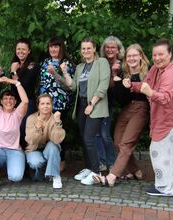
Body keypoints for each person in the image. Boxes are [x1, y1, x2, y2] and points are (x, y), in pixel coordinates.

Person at [123, 38, 173, 196]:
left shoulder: (171, 74)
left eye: (161, 54)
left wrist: (149, 92)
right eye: (154, 55)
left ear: (170, 55)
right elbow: (146, 84)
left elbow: (164, 98)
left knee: (158, 151)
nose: (157, 58)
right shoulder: (156, 69)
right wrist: (132, 86)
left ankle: (167, 187)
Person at [100, 44, 150, 187]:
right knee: (117, 142)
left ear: (141, 56)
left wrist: (134, 86)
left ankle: (112, 176)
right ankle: (136, 170)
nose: (132, 58)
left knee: (126, 144)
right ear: (125, 58)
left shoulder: (148, 73)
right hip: (127, 109)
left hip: (141, 109)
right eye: (129, 56)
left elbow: (151, 95)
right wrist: (120, 84)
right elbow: (120, 100)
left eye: (135, 55)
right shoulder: (123, 73)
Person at [63, 37, 110, 185]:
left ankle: (96, 172)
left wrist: (92, 103)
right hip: (82, 105)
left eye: (88, 48)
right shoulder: (80, 67)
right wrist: (64, 72)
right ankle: (89, 168)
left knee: (89, 138)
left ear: (94, 48)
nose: (85, 51)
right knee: (84, 139)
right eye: (83, 49)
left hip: (95, 105)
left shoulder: (102, 63)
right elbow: (73, 86)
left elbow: (103, 85)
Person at [0, 76, 28, 191]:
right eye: (6, 98)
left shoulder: (17, 114)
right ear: (1, 102)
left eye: (11, 98)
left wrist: (15, 82)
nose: (9, 101)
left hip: (14, 151)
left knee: (16, 177)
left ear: (15, 101)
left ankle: (11, 166)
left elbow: (25, 101)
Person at [39, 37, 75, 172]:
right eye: (51, 47)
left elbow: (68, 86)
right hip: (44, 104)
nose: (53, 49)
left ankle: (61, 160)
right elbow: (42, 83)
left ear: (61, 48)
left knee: (57, 132)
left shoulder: (67, 64)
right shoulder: (44, 62)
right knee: (46, 132)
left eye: (56, 46)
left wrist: (54, 73)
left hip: (60, 103)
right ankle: (49, 160)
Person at [93, 36, 125, 171]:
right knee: (96, 134)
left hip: (112, 104)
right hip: (99, 102)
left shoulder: (123, 65)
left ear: (118, 49)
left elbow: (111, 86)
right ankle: (102, 162)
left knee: (105, 134)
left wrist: (114, 72)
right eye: (107, 47)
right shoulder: (101, 62)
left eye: (113, 47)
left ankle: (112, 162)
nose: (110, 49)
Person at [25, 94, 65, 188]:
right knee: (35, 163)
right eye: (42, 104)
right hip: (34, 149)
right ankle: (42, 171)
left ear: (52, 105)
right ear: (38, 106)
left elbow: (56, 140)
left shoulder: (55, 118)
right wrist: (38, 129)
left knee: (53, 146)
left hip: (50, 149)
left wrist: (58, 123)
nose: (45, 106)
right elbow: (30, 140)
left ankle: (55, 176)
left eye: (48, 103)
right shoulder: (31, 118)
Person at [10, 38, 39, 149]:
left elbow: (23, 85)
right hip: (15, 103)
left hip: (27, 102)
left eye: (23, 49)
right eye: (18, 49)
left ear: (29, 51)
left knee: (23, 128)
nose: (20, 51)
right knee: (14, 128)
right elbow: (12, 87)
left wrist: (13, 72)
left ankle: (27, 154)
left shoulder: (33, 66)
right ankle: (16, 152)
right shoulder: (16, 64)